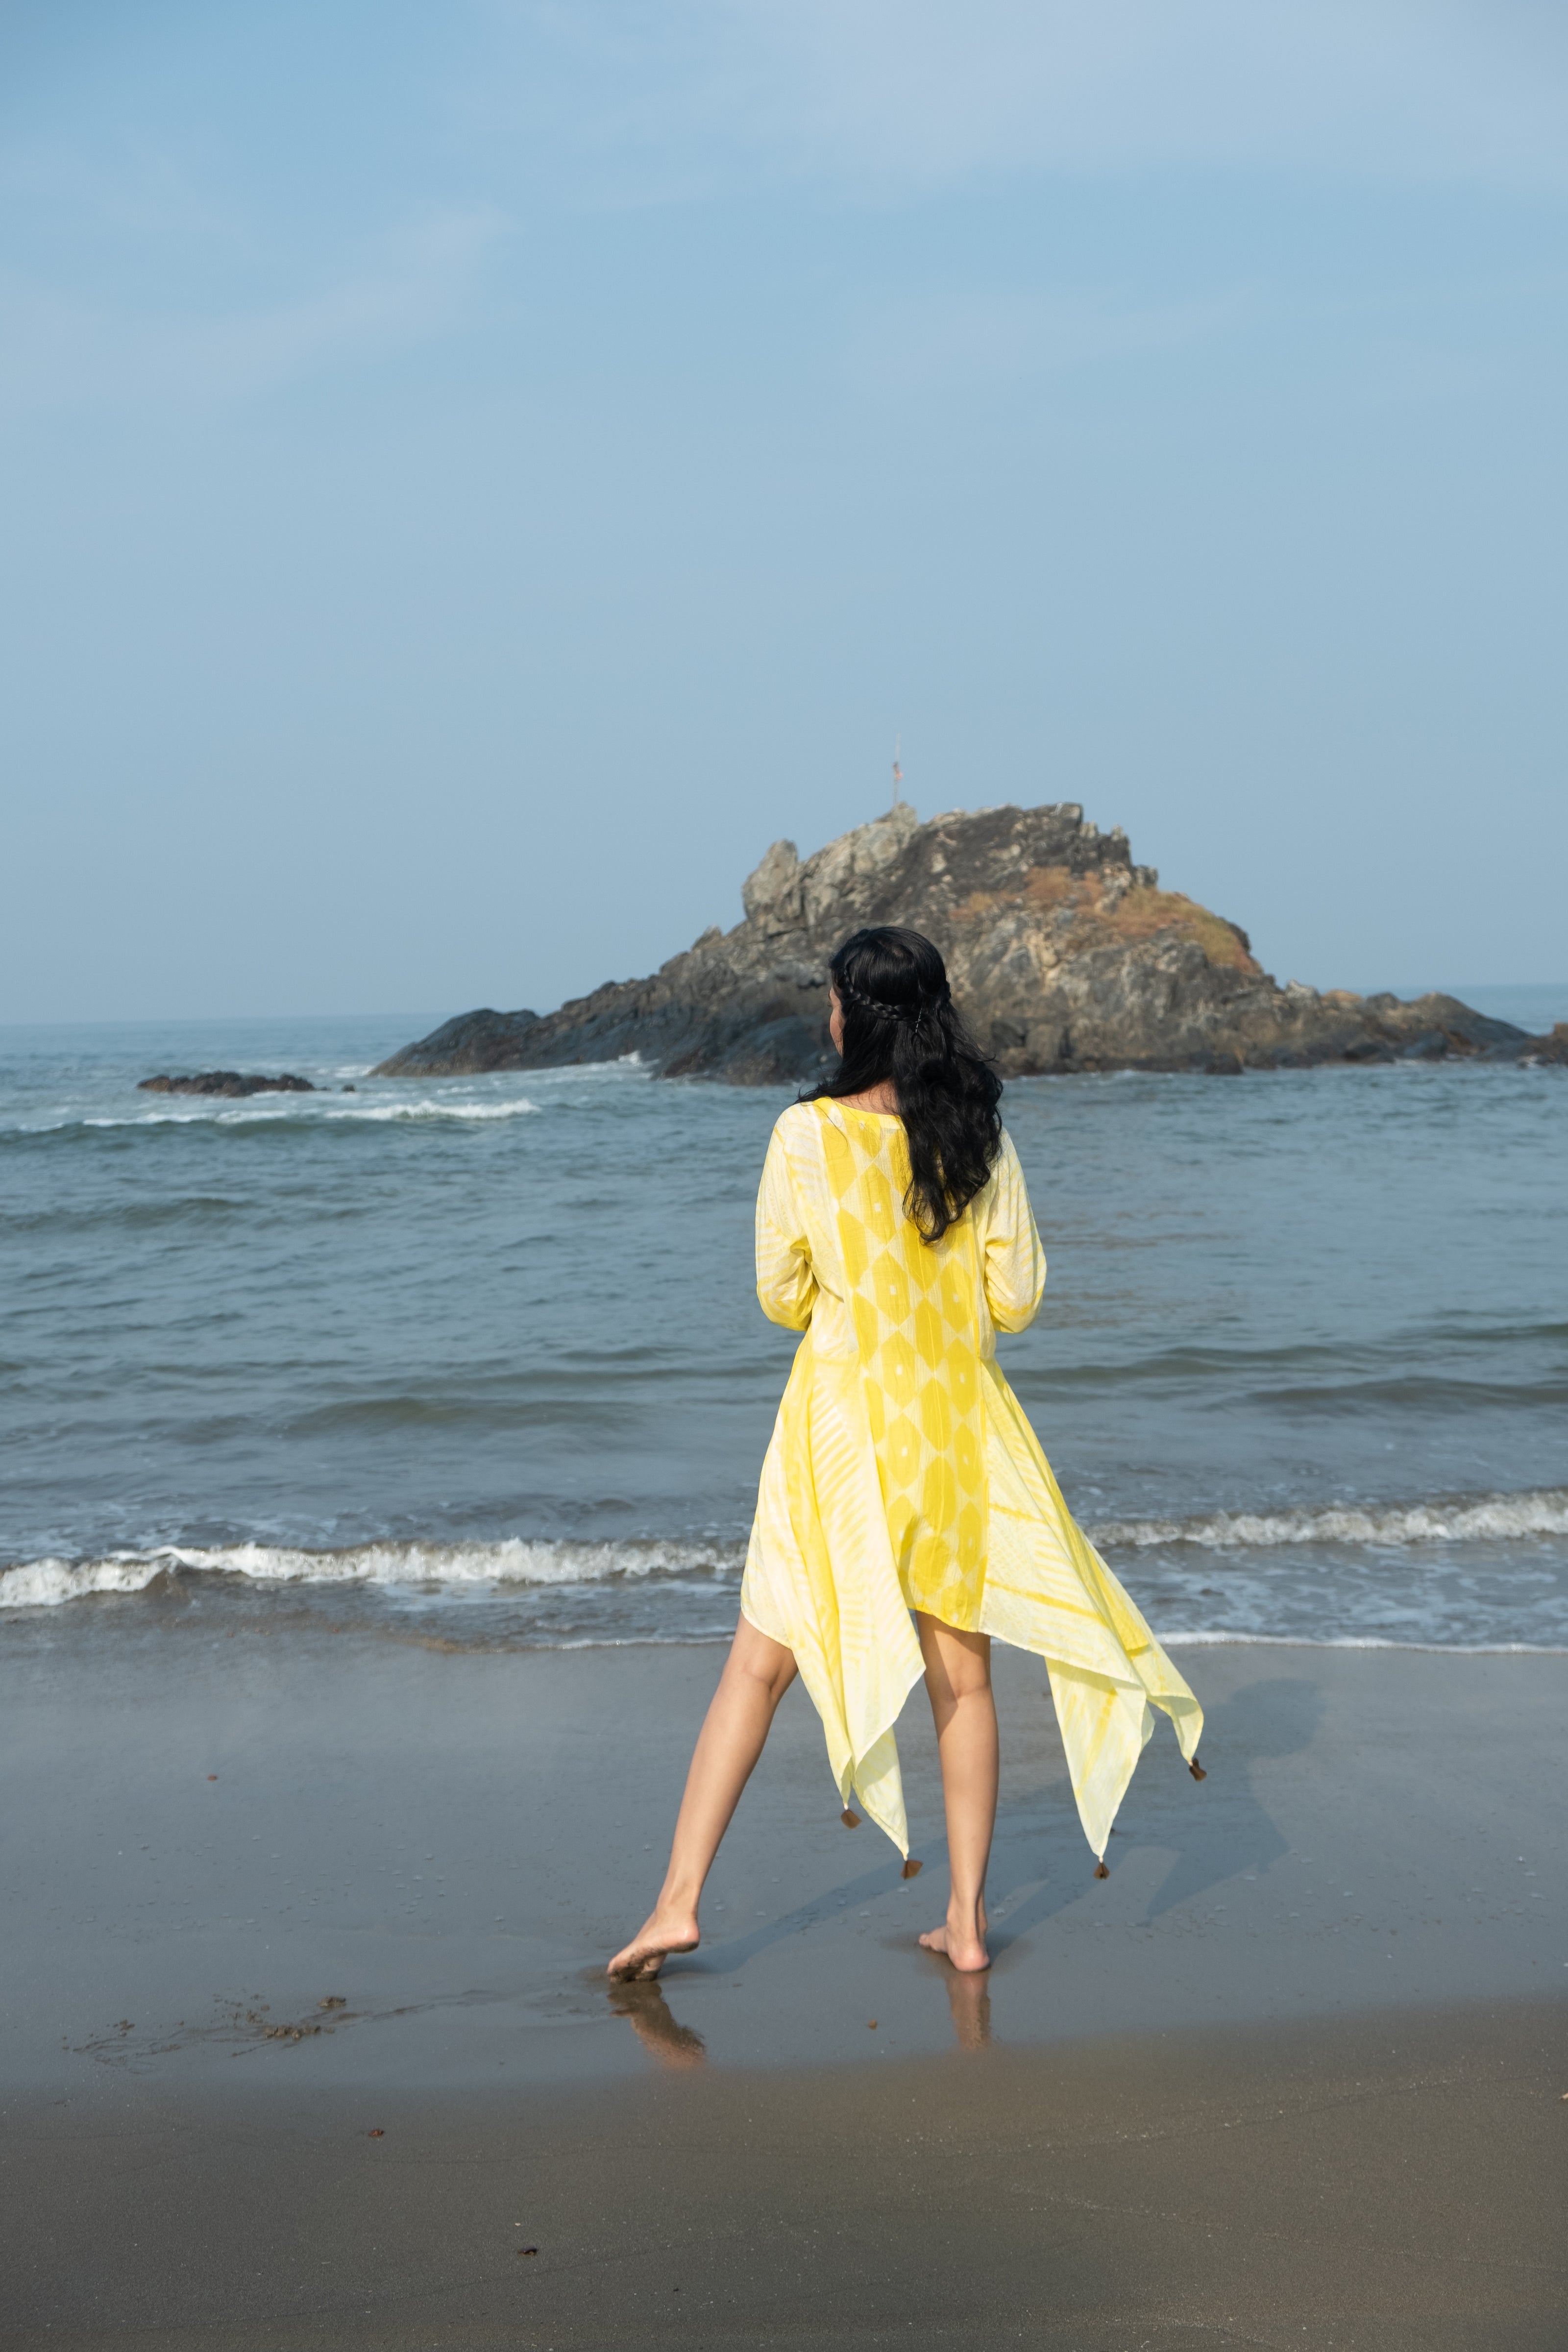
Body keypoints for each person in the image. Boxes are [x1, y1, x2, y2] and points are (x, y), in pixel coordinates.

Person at [609, 925, 1202, 1982]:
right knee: (962, 1686)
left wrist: (853, 1298)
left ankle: (677, 1904)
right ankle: (966, 1923)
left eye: (833, 1000)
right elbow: (1016, 1301)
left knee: (758, 1666)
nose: (826, 1016)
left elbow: (779, 1294)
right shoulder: (979, 1135)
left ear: (856, 1016)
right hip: (954, 1434)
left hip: (838, 1434)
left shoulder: (804, 1136)